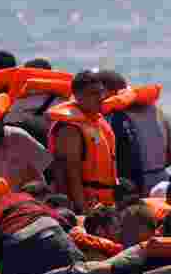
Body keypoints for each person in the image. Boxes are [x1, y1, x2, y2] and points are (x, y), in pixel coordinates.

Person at [97, 70, 171, 195]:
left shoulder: (110, 117)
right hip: (161, 185)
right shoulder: (156, 111)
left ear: (106, 92)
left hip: (132, 189)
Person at [48, 71, 118, 213]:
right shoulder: (70, 128)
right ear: (78, 96)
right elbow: (71, 173)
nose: (100, 98)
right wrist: (82, 209)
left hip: (104, 201)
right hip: (85, 205)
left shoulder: (96, 121)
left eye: (101, 92)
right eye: (93, 94)